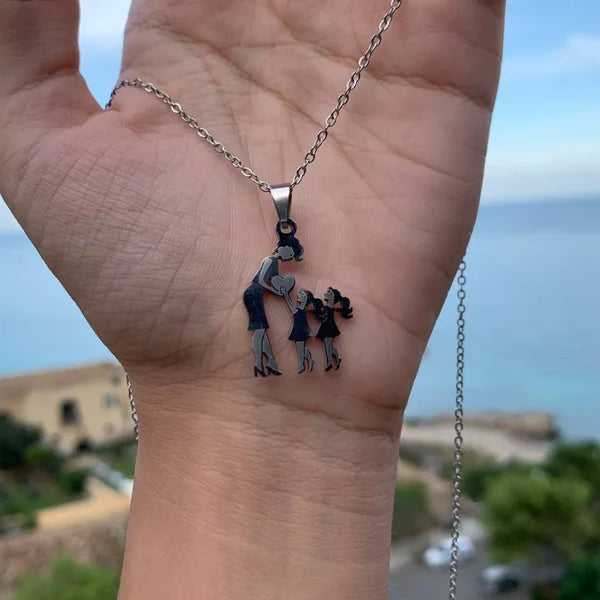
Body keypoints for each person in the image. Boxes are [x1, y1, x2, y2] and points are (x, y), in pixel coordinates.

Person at [0, 2, 506, 598]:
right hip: (267, 325)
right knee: (279, 349)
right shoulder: (267, 281)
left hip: (281, 330)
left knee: (294, 348)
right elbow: (268, 289)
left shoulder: (284, 276)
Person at [243, 231, 302, 376]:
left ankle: (270, 363)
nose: (289, 258)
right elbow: (261, 281)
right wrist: (275, 291)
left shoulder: (275, 264)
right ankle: (259, 363)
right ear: (284, 247)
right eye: (290, 253)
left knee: (262, 330)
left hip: (258, 295)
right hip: (253, 294)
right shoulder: (270, 260)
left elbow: (273, 282)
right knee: (260, 331)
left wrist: (280, 290)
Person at [315, 287, 353, 371]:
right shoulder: (326, 308)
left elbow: (324, 315)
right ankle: (337, 359)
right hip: (326, 327)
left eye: (330, 292)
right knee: (329, 346)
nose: (327, 293)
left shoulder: (328, 308)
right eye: (328, 292)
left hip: (329, 327)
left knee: (328, 346)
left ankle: (328, 363)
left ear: (333, 297)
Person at [281, 288, 316, 373]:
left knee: (300, 349)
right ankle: (309, 360)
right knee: (301, 348)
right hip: (300, 330)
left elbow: (289, 303)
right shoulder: (299, 310)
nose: (299, 295)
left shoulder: (298, 310)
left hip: (301, 331)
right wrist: (286, 294)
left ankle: (301, 365)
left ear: (305, 299)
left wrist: (286, 295)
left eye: (302, 294)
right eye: (300, 293)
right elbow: (290, 304)